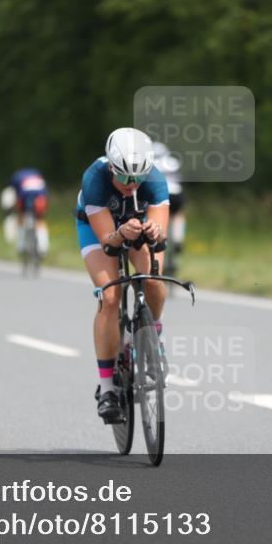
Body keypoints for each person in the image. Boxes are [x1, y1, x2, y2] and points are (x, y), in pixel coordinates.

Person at [74, 128, 169, 422]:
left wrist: (153, 231)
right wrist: (120, 233)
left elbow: (160, 235)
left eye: (138, 178)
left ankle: (152, 336)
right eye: (125, 178)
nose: (131, 185)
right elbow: (108, 244)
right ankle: (106, 389)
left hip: (135, 225)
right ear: (112, 167)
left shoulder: (154, 180)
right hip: (98, 229)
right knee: (111, 295)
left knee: (152, 280)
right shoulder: (95, 179)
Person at [151, 141, 186, 277]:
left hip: (161, 194)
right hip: (177, 193)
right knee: (178, 215)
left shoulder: (151, 163)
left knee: (156, 219)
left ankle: (159, 240)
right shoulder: (173, 162)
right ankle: (178, 238)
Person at [6, 167, 49, 257]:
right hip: (40, 195)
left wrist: (14, 209)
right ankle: (43, 247)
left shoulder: (16, 177)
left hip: (24, 195)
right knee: (40, 220)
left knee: (21, 216)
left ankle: (21, 246)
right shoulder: (37, 173)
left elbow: (14, 194)